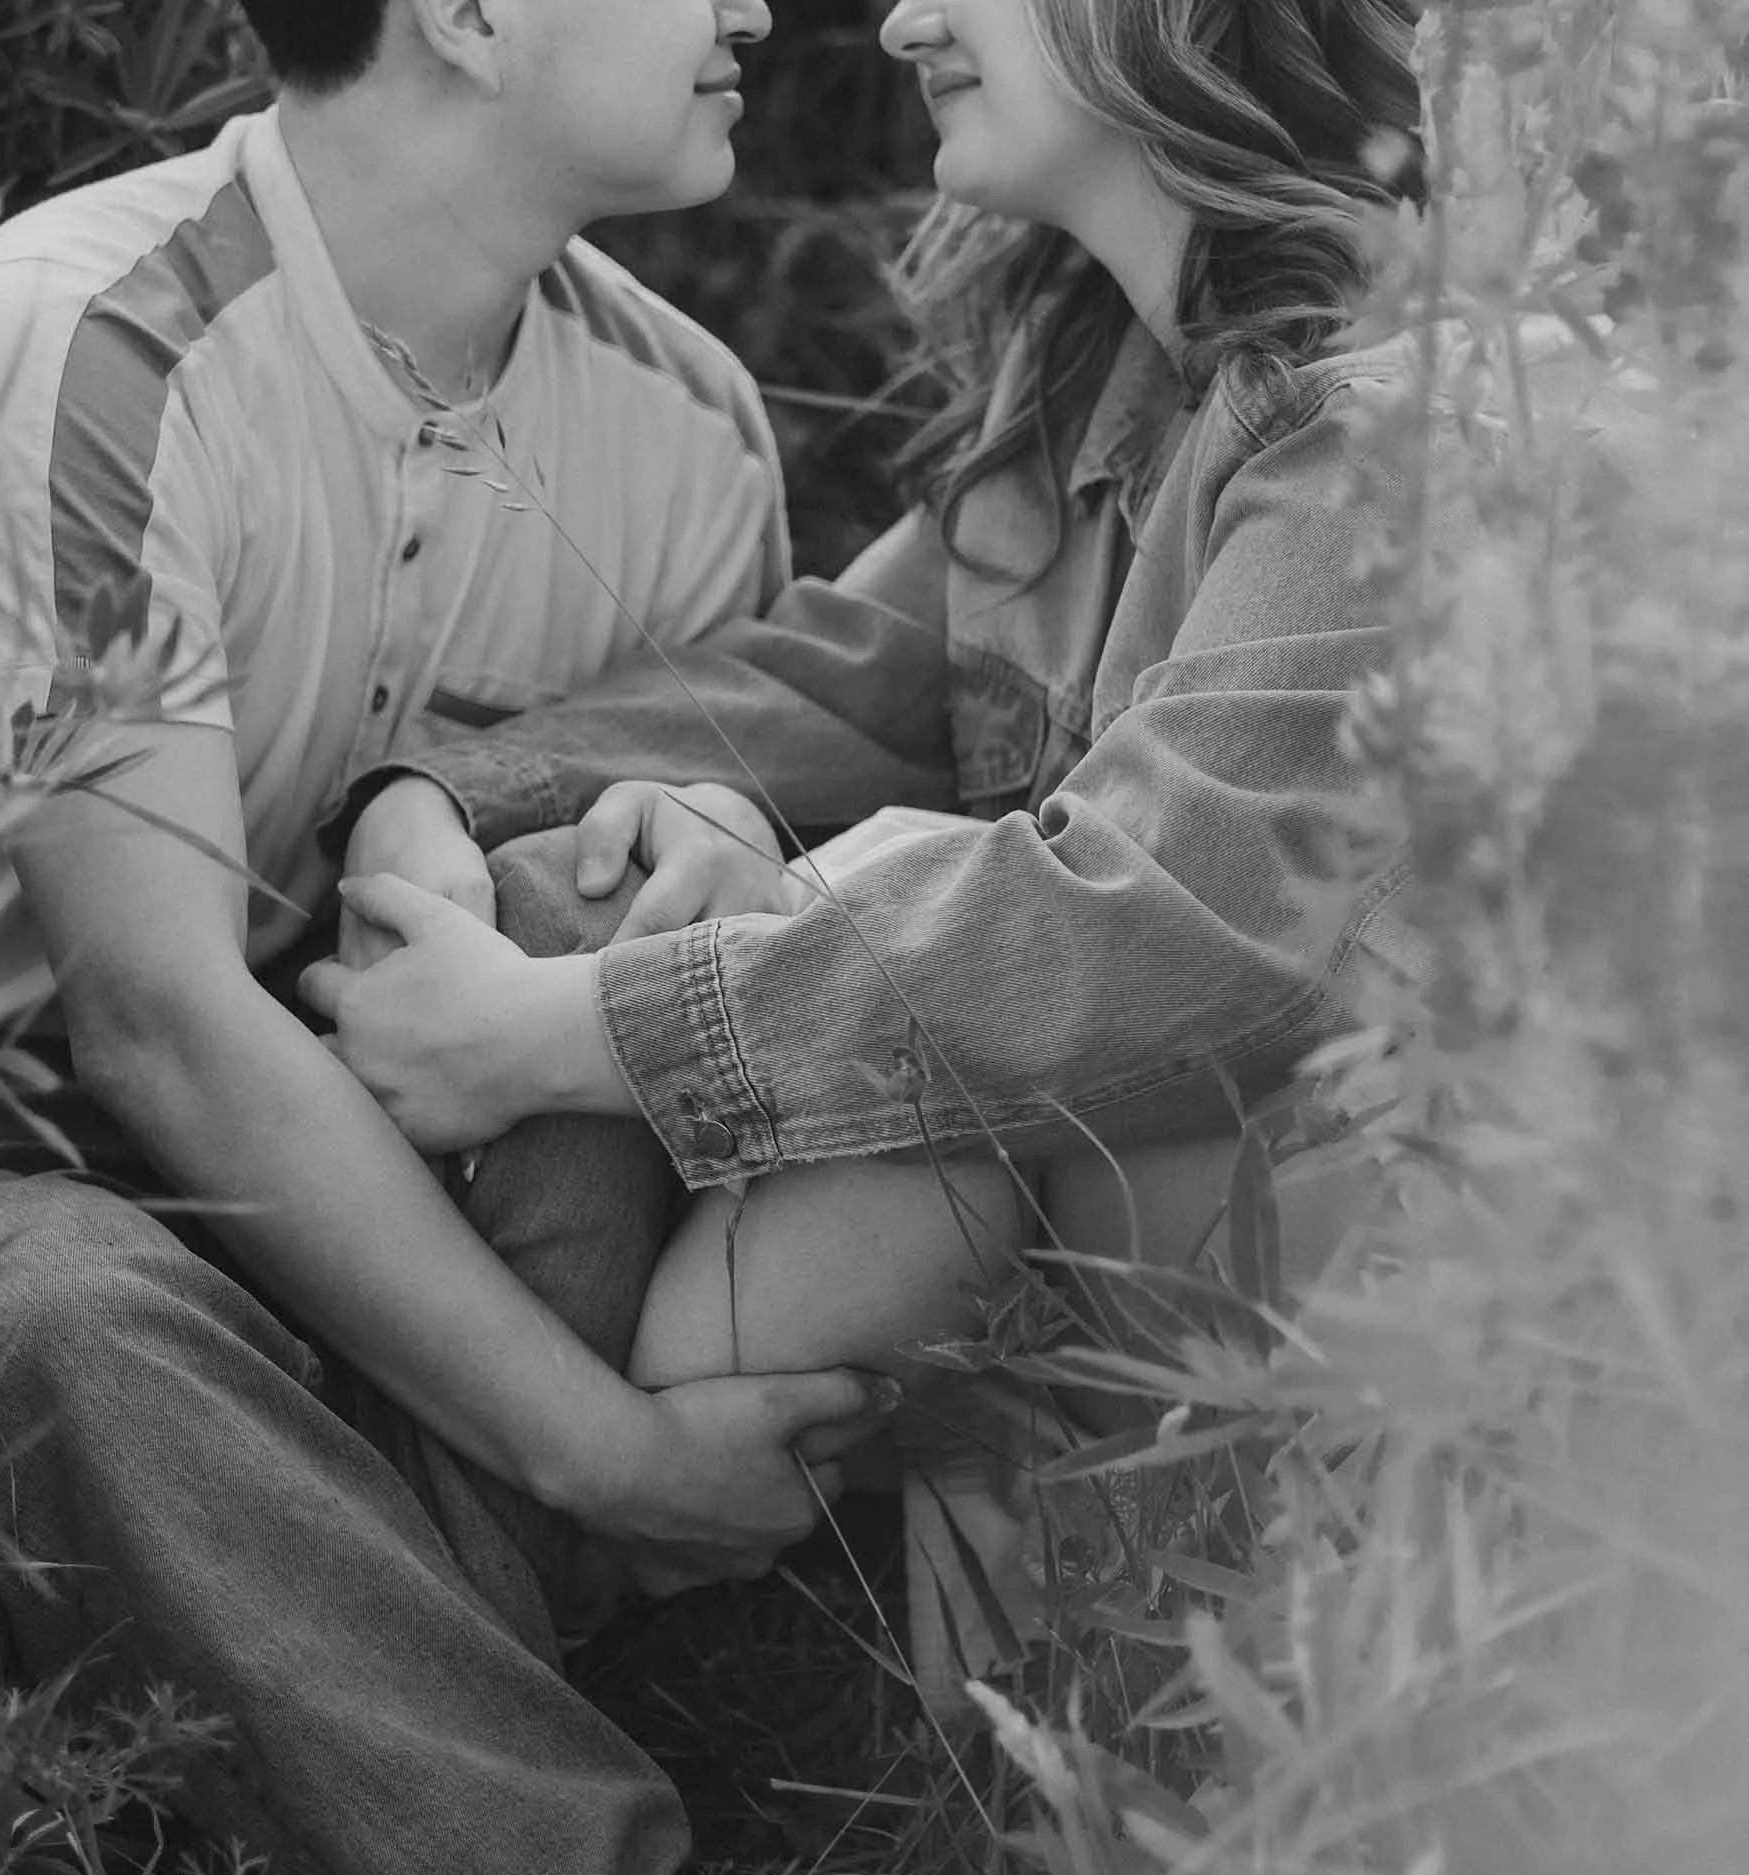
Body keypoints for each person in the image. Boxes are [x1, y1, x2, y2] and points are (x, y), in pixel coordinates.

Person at [0, 0, 1157, 1875]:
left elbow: (592, 934)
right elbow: (156, 1030)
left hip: (408, 1250)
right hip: (19, 1182)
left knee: (650, 1055)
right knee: (60, 1322)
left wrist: (669, 864)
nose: (762, 18)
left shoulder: (682, 413)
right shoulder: (81, 333)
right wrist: (601, 1452)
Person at [306, 0, 1425, 1641]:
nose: (904, 19)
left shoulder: (1394, 420)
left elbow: (1167, 926)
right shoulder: (1110, 388)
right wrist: (433, 804)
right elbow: (820, 689)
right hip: (1176, 1263)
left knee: (899, 902)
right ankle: (503, 1589)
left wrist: (563, 1031)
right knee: (634, 860)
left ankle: (513, 1612)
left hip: (1432, 1316)